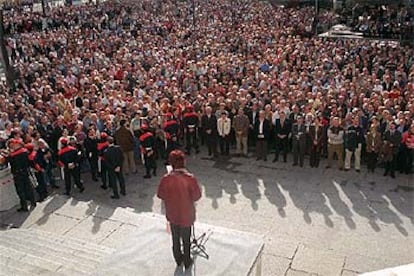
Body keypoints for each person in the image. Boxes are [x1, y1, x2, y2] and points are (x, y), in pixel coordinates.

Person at [157, 150, 201, 269]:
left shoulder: (166, 178)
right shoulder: (190, 178)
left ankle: (178, 259)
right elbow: (197, 196)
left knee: (175, 238)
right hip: (186, 214)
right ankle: (187, 261)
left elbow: (160, 195)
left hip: (173, 214)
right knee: (186, 240)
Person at [0, 139, 36, 212]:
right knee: (29, 188)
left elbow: (6, 160)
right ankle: (33, 202)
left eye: (12, 146)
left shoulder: (14, 155)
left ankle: (24, 206)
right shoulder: (25, 151)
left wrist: (4, 153)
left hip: (18, 174)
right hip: (25, 172)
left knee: (20, 190)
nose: (11, 147)